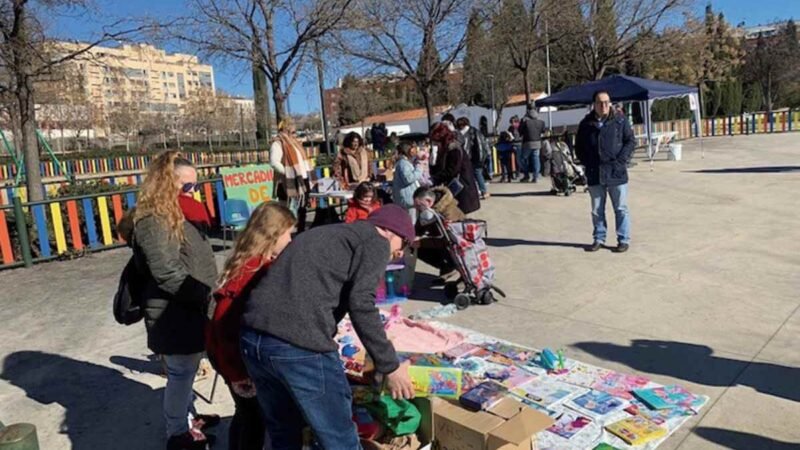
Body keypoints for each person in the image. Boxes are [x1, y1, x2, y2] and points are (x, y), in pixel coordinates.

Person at [240, 205, 416, 450]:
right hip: (296, 344)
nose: (398, 254)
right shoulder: (375, 241)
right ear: (391, 233)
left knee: (283, 429)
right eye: (403, 246)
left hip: (253, 339)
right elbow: (362, 303)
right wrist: (390, 365)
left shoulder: (329, 233)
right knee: (339, 436)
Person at [131, 151, 219, 450]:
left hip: (191, 306)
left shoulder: (182, 213)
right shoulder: (153, 220)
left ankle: (188, 417)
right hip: (174, 310)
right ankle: (177, 433)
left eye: (196, 186)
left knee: (190, 369)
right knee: (181, 373)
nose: (194, 192)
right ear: (167, 185)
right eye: (187, 186)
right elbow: (166, 272)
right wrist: (205, 296)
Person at [207, 202, 295, 450]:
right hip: (235, 357)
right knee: (254, 419)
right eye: (288, 234)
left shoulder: (250, 261)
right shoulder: (253, 269)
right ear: (272, 234)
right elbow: (225, 323)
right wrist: (237, 373)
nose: (291, 240)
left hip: (230, 353)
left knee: (245, 415)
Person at [575, 90, 635, 253]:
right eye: (600, 103)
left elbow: (630, 141)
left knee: (621, 208)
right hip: (595, 172)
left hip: (616, 172)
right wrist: (587, 162)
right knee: (597, 209)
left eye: (607, 102)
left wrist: (621, 161)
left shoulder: (620, 120)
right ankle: (599, 238)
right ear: (594, 104)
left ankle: (623, 239)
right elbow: (578, 147)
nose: (604, 106)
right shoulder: (586, 124)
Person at [413, 186, 465, 283]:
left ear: (428, 201)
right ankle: (447, 267)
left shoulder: (449, 212)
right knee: (413, 246)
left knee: (421, 244)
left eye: (419, 206)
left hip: (457, 245)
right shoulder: (426, 211)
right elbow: (418, 229)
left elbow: (448, 240)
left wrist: (422, 242)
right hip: (441, 242)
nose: (418, 209)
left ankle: (455, 268)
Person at [429, 122, 480, 215]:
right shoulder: (445, 148)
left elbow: (452, 170)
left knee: (459, 217)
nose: (435, 143)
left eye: (437, 140)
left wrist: (434, 178)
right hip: (453, 188)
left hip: (461, 188)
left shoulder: (454, 148)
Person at [270, 120, 311, 231]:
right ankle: (282, 234)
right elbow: (274, 162)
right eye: (292, 132)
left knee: (302, 207)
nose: (295, 134)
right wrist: (288, 173)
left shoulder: (295, 144)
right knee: (284, 210)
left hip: (301, 178)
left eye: (295, 132)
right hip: (286, 180)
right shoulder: (278, 143)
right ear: (285, 130)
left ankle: (301, 231)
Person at [456, 117, 490, 200]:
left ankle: (477, 191)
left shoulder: (461, 134)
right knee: (478, 173)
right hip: (477, 156)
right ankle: (484, 191)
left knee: (470, 174)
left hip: (469, 157)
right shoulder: (475, 131)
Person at [392, 142, 424, 222]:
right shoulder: (403, 163)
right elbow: (408, 179)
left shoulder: (404, 163)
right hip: (408, 198)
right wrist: (419, 169)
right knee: (410, 221)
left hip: (407, 197)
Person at [518, 104, 546, 183]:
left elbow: (520, 131)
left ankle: (526, 175)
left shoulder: (524, 120)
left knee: (522, 158)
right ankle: (536, 177)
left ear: (527, 110)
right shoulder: (540, 120)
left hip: (527, 142)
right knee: (536, 159)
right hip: (537, 142)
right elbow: (543, 131)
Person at [508, 115, 522, 180]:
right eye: (511, 122)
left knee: (518, 160)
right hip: (512, 144)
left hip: (518, 144)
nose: (512, 124)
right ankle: (511, 174)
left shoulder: (520, 127)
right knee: (510, 159)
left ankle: (518, 173)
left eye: (513, 122)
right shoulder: (510, 128)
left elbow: (521, 136)